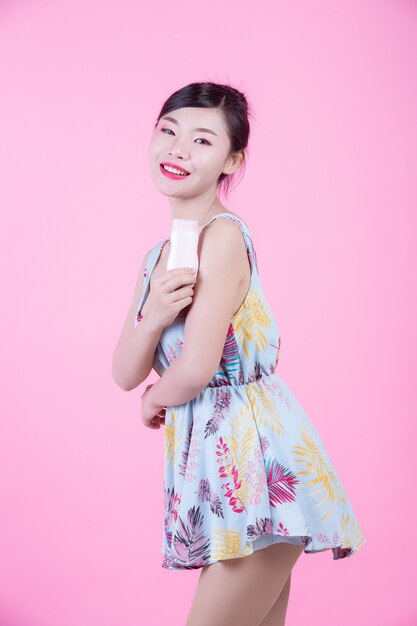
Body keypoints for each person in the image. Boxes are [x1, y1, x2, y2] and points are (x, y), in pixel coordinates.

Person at [112, 81, 366, 626]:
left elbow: (199, 364)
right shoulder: (156, 258)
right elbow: (122, 369)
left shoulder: (223, 236)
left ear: (233, 159)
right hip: (223, 475)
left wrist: (153, 399)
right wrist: (154, 312)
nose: (177, 150)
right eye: (168, 131)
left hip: (257, 467)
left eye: (203, 140)